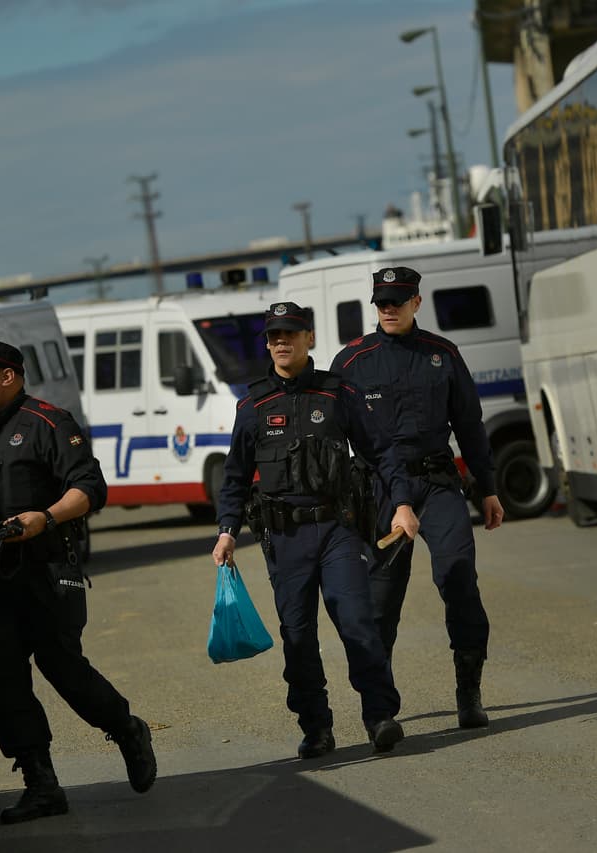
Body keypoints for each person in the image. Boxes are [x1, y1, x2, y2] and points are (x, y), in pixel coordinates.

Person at [0, 338, 156, 824]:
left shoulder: (47, 422)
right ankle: (41, 784)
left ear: (8, 377)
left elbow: (90, 488)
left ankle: (125, 728)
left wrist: (47, 516)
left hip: (46, 570)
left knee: (62, 668)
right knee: (4, 682)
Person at [212, 302, 419, 759]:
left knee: (357, 621)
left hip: (337, 530)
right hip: (284, 539)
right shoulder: (252, 406)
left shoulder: (338, 393)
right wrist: (227, 531)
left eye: (290, 333)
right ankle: (316, 727)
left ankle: (380, 716)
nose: (281, 342)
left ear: (310, 338)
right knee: (298, 635)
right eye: (273, 336)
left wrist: (401, 505)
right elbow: (234, 478)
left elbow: (382, 451)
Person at [334, 266, 505, 729]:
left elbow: (469, 423)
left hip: (437, 484)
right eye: (382, 303)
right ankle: (380, 710)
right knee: (381, 600)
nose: (389, 309)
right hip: (380, 491)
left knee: (458, 579)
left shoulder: (442, 354)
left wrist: (487, 489)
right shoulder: (350, 362)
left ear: (417, 302)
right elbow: (330, 438)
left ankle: (468, 690)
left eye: (398, 301)